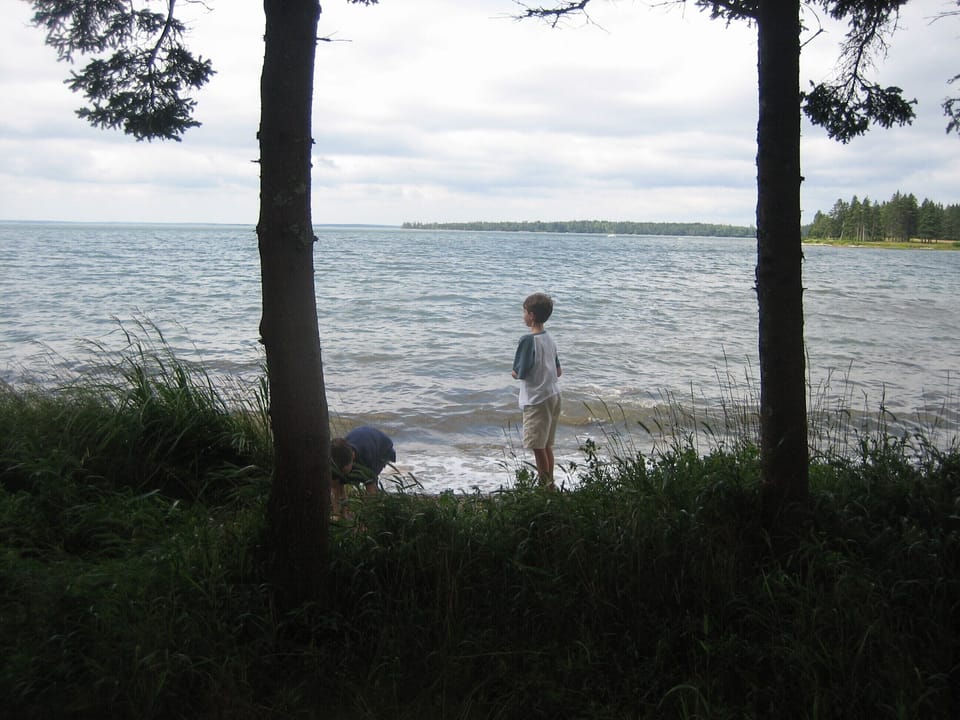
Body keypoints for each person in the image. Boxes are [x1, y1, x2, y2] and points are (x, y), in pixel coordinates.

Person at [511, 292, 562, 487]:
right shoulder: (549, 338)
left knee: (538, 448)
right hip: (553, 395)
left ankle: (544, 487)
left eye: (524, 312)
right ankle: (550, 485)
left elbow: (520, 373)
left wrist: (514, 373)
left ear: (531, 315)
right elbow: (558, 371)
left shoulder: (527, 340)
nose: (523, 315)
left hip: (537, 399)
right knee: (547, 445)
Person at [330, 426, 396, 511]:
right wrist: (340, 514)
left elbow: (370, 487)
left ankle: (376, 506)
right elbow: (336, 491)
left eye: (344, 471)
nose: (342, 474)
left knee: (370, 481)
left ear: (353, 457)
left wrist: (368, 513)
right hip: (360, 438)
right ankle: (345, 512)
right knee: (339, 482)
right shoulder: (334, 459)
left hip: (382, 449)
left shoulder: (366, 458)